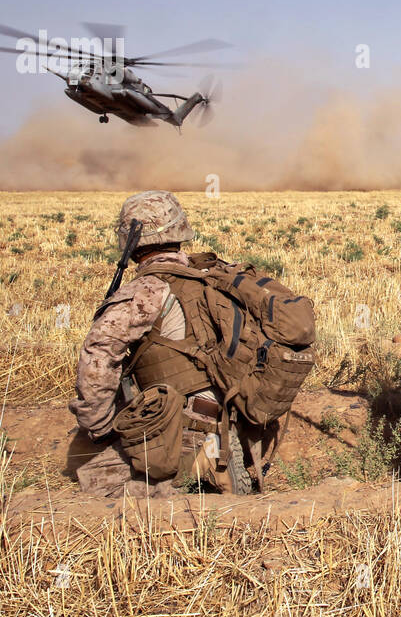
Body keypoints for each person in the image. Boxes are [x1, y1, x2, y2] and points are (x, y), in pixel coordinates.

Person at [70, 191, 303, 497]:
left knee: (94, 480)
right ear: (179, 230)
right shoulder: (216, 274)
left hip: (183, 420)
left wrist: (98, 427)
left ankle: (200, 461)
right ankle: (226, 447)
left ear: (131, 240)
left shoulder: (144, 291)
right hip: (244, 412)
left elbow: (97, 361)